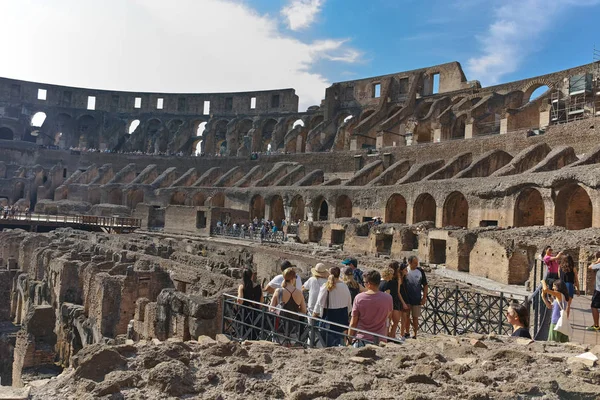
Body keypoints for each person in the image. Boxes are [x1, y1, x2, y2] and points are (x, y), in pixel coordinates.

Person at [348, 270, 393, 347]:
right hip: (381, 339)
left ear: (368, 284)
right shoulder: (388, 298)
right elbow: (388, 317)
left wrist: (349, 341)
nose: (364, 284)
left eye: (364, 282)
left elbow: (353, 322)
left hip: (362, 339)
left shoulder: (359, 298)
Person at [313, 266, 352, 347]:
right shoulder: (345, 286)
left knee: (326, 344)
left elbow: (319, 303)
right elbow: (349, 304)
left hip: (329, 318)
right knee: (340, 344)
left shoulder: (325, 287)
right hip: (342, 318)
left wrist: (314, 315)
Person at [270, 268, 307, 345]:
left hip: (280, 326)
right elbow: (304, 310)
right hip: (294, 326)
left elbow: (271, 308)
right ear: (293, 279)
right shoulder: (299, 293)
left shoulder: (278, 291)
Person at [379, 262, 407, 339]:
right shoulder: (387, 282)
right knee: (390, 320)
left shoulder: (394, 279)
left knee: (394, 320)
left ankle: (391, 335)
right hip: (391, 301)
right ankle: (388, 335)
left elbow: (397, 291)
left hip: (394, 300)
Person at [405, 255, 428, 339]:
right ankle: (406, 333)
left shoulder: (420, 271)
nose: (416, 264)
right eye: (415, 263)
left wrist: (424, 297)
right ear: (409, 262)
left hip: (416, 299)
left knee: (415, 318)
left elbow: (425, 285)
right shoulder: (405, 270)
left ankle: (415, 334)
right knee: (406, 317)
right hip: (406, 299)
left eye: (417, 263)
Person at [237, 268, 264, 340]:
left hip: (244, 315)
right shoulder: (258, 287)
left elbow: (240, 301)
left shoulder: (242, 286)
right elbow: (261, 301)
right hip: (255, 314)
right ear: (252, 276)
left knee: (243, 334)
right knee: (254, 335)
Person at [587, 252, 600, 331]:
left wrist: (597, 261)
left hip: (599, 290)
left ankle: (596, 325)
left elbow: (590, 267)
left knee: (594, 306)